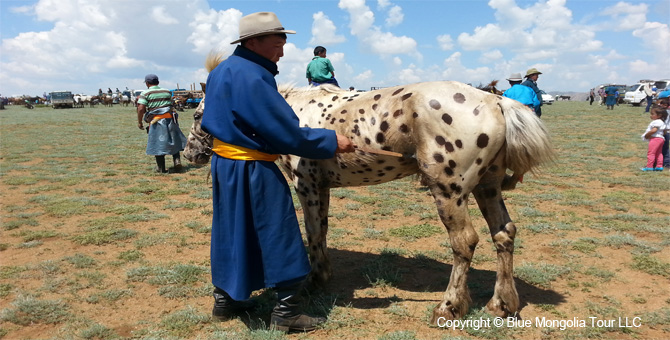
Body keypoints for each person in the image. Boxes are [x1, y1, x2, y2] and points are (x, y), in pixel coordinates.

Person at [201, 12, 355, 332]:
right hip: (252, 166)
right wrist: (330, 140)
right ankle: (287, 313)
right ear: (253, 42)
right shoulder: (253, 75)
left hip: (225, 166)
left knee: (232, 231)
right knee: (278, 232)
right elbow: (286, 134)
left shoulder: (222, 71)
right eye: (277, 43)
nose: (282, 51)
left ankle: (226, 300)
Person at [136, 74, 187, 173]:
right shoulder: (167, 91)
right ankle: (176, 160)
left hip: (156, 121)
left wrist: (139, 122)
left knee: (157, 142)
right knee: (173, 139)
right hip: (170, 119)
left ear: (147, 83)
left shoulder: (145, 93)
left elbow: (141, 108)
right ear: (158, 82)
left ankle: (161, 168)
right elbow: (170, 104)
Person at [640, 106, 667, 171]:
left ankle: (649, 167)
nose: (651, 116)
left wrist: (647, 135)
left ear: (659, 115)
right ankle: (659, 166)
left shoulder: (657, 122)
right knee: (659, 153)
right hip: (661, 139)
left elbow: (654, 130)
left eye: (652, 114)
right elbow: (664, 131)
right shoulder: (662, 122)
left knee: (651, 153)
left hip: (655, 139)